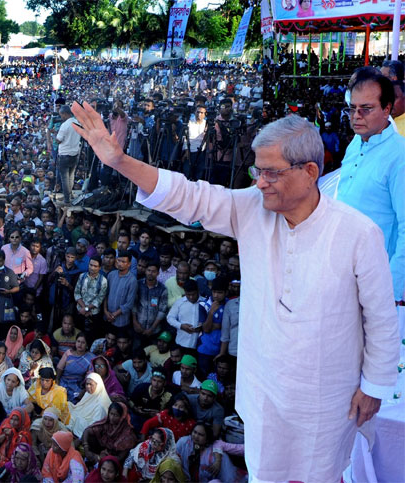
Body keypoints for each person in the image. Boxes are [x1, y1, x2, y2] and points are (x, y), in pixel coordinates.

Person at [73, 103, 400, 480]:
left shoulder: (359, 233)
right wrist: (120, 161)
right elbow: (190, 196)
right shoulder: (251, 209)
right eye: (256, 171)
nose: (259, 182)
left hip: (326, 399)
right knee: (264, 473)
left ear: (310, 172)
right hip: (263, 392)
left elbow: (380, 318)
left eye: (271, 172)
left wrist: (373, 387)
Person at [336, 67, 405, 323]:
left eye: (366, 109)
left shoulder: (399, 156)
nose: (356, 116)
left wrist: (392, 289)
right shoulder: (356, 143)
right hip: (341, 273)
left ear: (387, 109)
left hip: (376, 284)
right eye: (352, 108)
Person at [81, 402, 138, 466]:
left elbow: (120, 458)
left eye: (116, 415)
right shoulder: (107, 423)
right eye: (111, 414)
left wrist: (102, 458)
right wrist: (87, 450)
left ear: (122, 417)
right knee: (89, 437)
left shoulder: (127, 434)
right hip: (102, 451)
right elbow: (87, 431)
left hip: (113, 460)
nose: (112, 417)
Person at [56, 105, 82, 204]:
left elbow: (59, 140)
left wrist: (54, 136)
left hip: (64, 154)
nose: (61, 117)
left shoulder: (65, 125)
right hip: (74, 154)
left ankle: (67, 199)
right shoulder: (77, 123)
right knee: (71, 176)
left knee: (65, 178)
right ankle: (69, 195)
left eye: (61, 115)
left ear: (65, 114)